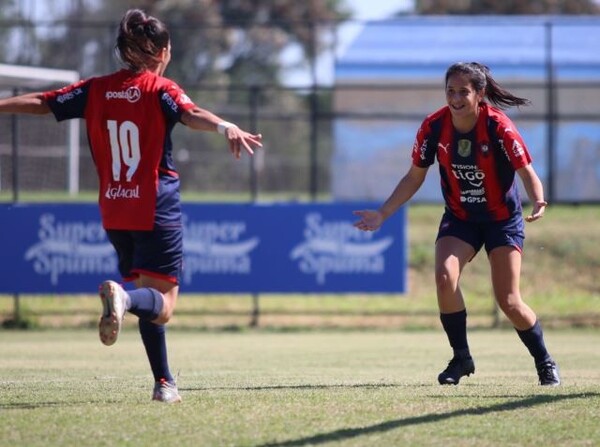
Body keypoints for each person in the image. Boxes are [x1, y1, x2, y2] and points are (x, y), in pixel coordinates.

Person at [0, 9, 262, 402]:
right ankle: (122, 301)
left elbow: (42, 101)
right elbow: (191, 114)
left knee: (145, 293)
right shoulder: (161, 88)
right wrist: (227, 126)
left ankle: (164, 383)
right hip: (155, 206)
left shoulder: (96, 88)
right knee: (162, 305)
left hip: (115, 209)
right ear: (160, 51)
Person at [353, 62, 560, 386]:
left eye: (463, 91)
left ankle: (544, 361)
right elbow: (414, 177)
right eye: (450, 91)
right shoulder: (434, 127)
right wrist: (382, 213)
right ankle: (461, 357)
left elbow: (527, 173)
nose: (455, 98)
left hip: (501, 221)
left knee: (508, 301)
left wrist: (539, 199)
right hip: (460, 218)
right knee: (444, 277)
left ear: (479, 94)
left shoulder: (499, 127)